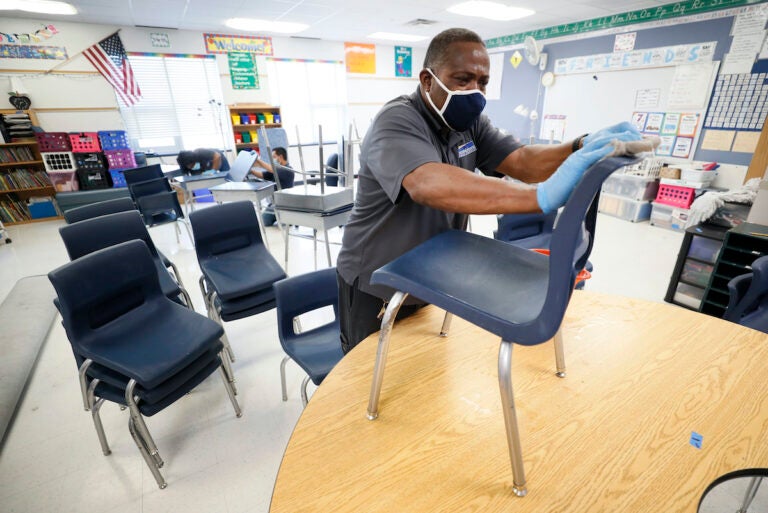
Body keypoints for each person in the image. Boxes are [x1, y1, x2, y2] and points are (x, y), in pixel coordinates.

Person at [335, 27, 641, 354]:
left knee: (419, 369)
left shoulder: (470, 123)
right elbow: (427, 183)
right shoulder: (396, 120)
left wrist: (577, 147)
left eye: (482, 82)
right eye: (462, 79)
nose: (474, 91)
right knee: (367, 377)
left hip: (429, 273)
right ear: (427, 79)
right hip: (375, 280)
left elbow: (522, 160)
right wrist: (540, 197)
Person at [249, 146, 295, 226]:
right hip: (275, 203)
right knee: (264, 221)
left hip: (285, 204)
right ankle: (279, 217)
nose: (272, 160)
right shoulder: (276, 170)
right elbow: (262, 175)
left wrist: (258, 160)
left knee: (285, 223)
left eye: (274, 157)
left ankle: (287, 217)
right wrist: (251, 171)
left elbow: (272, 169)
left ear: (280, 157)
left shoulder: (288, 170)